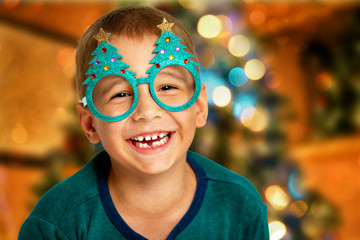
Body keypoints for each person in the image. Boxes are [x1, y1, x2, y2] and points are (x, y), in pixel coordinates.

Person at [18, 6, 269, 240]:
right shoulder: (55, 223)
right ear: (90, 124)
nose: (147, 112)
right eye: (120, 94)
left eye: (167, 87)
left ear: (199, 107)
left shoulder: (241, 204)